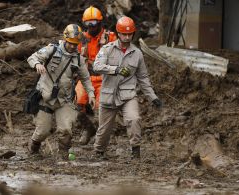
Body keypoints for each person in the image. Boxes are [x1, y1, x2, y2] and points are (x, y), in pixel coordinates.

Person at [92, 16, 162, 159]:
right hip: (108, 94)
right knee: (104, 128)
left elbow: (143, 78)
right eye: (124, 34)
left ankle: (135, 152)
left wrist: (152, 97)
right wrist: (115, 69)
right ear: (118, 33)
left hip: (128, 95)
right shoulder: (107, 49)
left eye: (130, 34)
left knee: (134, 119)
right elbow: (96, 67)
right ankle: (99, 152)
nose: (127, 37)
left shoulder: (137, 54)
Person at [27, 24, 95, 160]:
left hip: (64, 99)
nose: (72, 47)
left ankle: (64, 154)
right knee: (42, 131)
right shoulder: (51, 50)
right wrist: (37, 64)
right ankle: (33, 149)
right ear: (65, 39)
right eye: (70, 43)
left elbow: (86, 78)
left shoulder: (79, 59)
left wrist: (91, 94)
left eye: (75, 44)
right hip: (45, 97)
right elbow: (32, 57)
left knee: (65, 129)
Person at [75, 6, 117, 145]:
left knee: (101, 111)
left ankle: (101, 142)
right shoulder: (81, 38)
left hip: (104, 79)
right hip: (86, 78)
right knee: (76, 106)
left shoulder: (110, 37)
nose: (90, 27)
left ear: (99, 23)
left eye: (93, 23)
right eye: (87, 23)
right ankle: (88, 129)